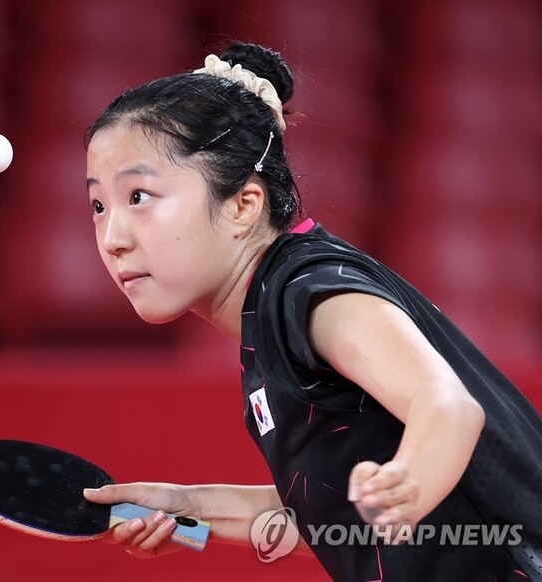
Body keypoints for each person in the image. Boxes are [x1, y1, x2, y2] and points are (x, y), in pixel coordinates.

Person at [81, 42, 542, 581]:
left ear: (242, 205)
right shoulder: (270, 319)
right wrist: (188, 508)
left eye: (139, 196)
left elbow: (449, 408)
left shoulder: (308, 291)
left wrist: (409, 484)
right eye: (98, 206)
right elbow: (337, 522)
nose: (112, 238)